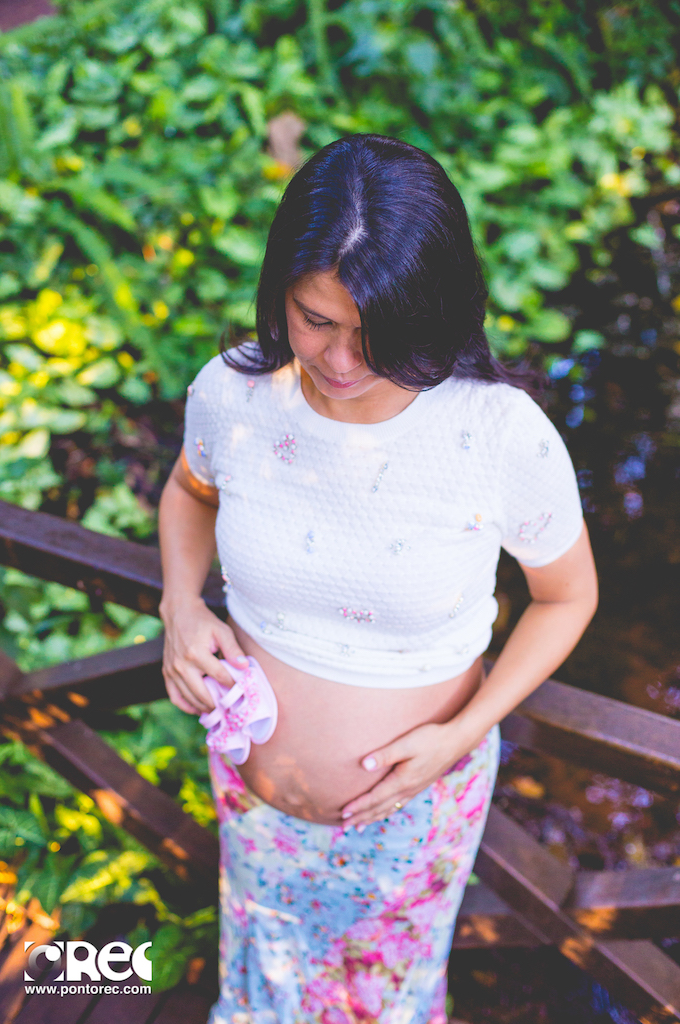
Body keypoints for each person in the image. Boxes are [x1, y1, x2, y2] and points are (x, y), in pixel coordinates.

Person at [158, 134, 598, 1024]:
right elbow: (186, 492)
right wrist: (179, 605)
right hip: (253, 797)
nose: (341, 360)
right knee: (264, 972)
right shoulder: (232, 396)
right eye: (315, 320)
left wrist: (463, 733)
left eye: (377, 333)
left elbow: (566, 597)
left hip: (413, 813)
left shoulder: (497, 435)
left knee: (383, 1003)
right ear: (280, 290)